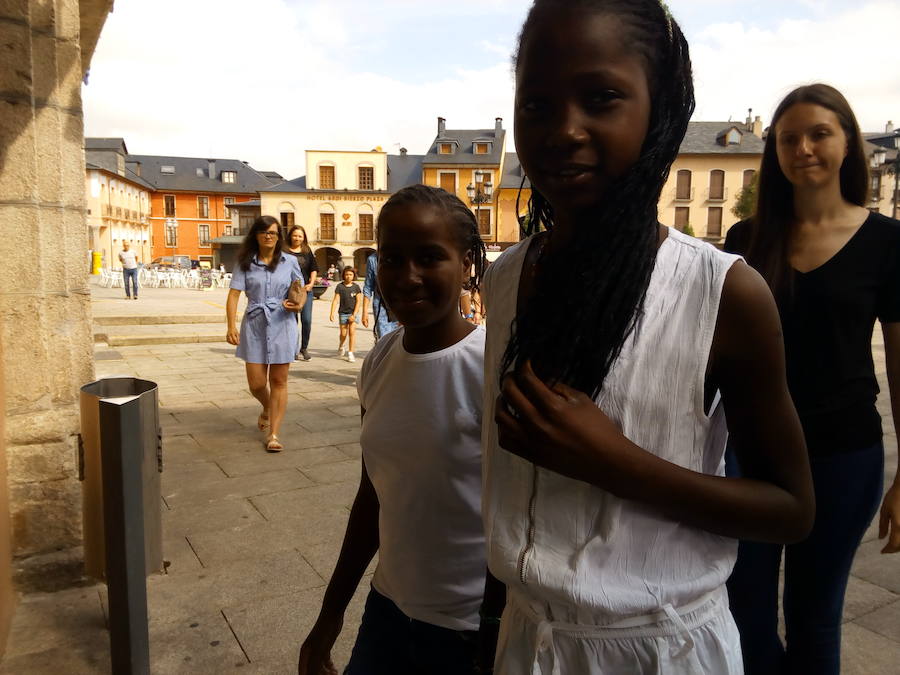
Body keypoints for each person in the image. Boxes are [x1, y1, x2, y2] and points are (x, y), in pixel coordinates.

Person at [479, 1, 816, 673]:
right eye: (537, 105)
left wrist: (617, 462)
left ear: (659, 108)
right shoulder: (508, 278)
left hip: (660, 646)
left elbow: (791, 508)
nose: (564, 130)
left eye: (601, 98)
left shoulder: (723, 294)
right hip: (525, 639)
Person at [723, 84, 900, 675]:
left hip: (843, 454)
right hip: (751, 452)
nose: (803, 147)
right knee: (742, 612)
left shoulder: (889, 244)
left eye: (819, 133)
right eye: (788, 138)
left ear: (849, 142)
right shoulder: (746, 242)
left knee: (815, 616)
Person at [297, 184, 489, 675]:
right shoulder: (381, 357)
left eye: (429, 257)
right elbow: (373, 495)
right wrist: (330, 616)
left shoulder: (492, 369)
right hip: (386, 613)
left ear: (467, 263)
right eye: (392, 258)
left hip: (469, 633)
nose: (407, 277)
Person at [226, 216, 303, 452]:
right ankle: (268, 407)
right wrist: (231, 325)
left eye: (273, 232)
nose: (268, 236)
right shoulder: (245, 262)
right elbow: (234, 295)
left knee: (279, 381)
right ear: (256, 235)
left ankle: (274, 435)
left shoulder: (289, 261)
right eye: (263, 232)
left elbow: (299, 288)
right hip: (255, 323)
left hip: (282, 322)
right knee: (257, 383)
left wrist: (299, 303)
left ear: (279, 237)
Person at [286, 225, 320, 360]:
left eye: (300, 236)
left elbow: (313, 268)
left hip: (305, 291)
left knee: (306, 320)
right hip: (289, 291)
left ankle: (304, 348)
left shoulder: (307, 251)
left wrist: (311, 284)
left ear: (303, 237)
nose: (297, 238)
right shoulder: (284, 251)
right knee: (291, 321)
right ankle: (293, 349)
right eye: (295, 235)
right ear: (290, 236)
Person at [362, 252, 400, 340]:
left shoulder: (401, 256)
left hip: (400, 305)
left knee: (400, 341)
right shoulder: (372, 259)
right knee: (384, 340)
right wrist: (365, 312)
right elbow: (368, 287)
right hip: (381, 307)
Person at [330, 267, 361, 362]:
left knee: (352, 332)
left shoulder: (356, 287)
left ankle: (351, 353)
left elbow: (359, 301)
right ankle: (341, 345)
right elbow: (335, 300)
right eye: (347, 274)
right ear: (343, 275)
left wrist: (354, 314)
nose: (348, 276)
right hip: (343, 313)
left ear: (353, 276)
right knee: (343, 334)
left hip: (353, 313)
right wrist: (332, 313)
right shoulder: (340, 286)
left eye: (350, 274)